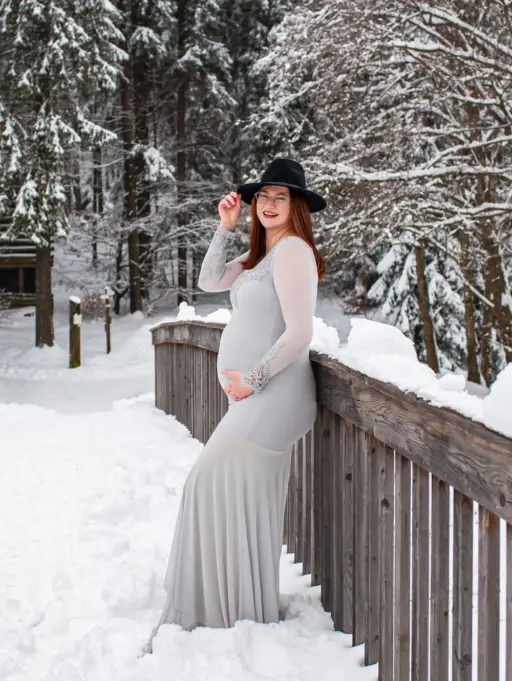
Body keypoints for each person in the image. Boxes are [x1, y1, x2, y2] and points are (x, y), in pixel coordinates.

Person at [144, 158, 327, 653]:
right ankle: (239, 606)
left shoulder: (293, 251)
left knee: (205, 484)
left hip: (276, 394)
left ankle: (228, 607)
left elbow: (300, 332)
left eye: (280, 197)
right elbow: (208, 281)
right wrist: (224, 229)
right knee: (238, 496)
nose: (269, 204)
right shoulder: (262, 255)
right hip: (257, 397)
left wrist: (254, 377)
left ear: (297, 207)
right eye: (263, 196)